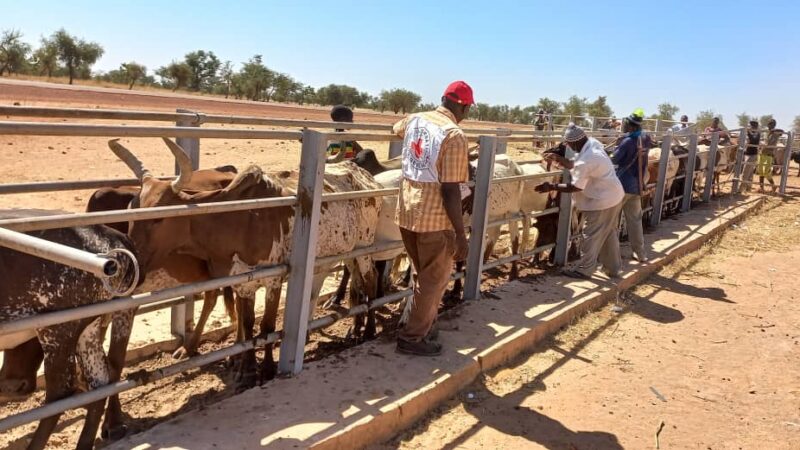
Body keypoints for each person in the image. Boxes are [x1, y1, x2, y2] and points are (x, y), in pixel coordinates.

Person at [392, 81, 473, 356]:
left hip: (406, 213)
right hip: (434, 219)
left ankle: (424, 324)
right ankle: (412, 338)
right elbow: (451, 189)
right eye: (467, 109)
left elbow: (395, 129)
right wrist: (461, 235)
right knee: (434, 279)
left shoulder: (415, 119)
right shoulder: (454, 135)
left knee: (422, 274)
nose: (466, 115)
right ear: (462, 106)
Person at [535, 124, 625, 279]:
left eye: (568, 144)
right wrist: (560, 160)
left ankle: (584, 270)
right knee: (608, 233)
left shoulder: (587, 160)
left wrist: (551, 186)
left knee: (590, 234)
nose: (567, 146)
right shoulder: (593, 145)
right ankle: (613, 268)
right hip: (614, 195)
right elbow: (576, 164)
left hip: (601, 200)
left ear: (575, 143)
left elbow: (575, 187)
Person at [611, 110, 652, 262]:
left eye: (625, 124)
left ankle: (613, 256)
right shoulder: (646, 138)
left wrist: (616, 146)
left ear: (630, 125)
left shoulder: (627, 141)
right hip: (637, 184)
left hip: (622, 184)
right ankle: (640, 253)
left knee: (612, 221)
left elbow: (615, 159)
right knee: (635, 221)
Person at [759, 119, 784, 192]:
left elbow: (782, 131)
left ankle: (773, 185)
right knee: (761, 171)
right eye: (769, 124)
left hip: (769, 153)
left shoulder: (776, 132)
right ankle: (761, 187)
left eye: (772, 124)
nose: (770, 125)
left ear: (774, 125)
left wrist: (774, 130)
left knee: (766, 172)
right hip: (763, 152)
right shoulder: (767, 133)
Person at [740, 119, 761, 193]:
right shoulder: (754, 133)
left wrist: (748, 132)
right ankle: (748, 189)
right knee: (749, 172)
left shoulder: (756, 133)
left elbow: (753, 140)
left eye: (751, 126)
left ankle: (741, 189)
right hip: (749, 153)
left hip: (752, 154)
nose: (750, 127)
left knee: (746, 172)